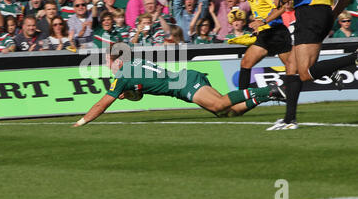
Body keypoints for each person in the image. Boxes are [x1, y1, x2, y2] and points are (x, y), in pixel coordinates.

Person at [268, 0, 356, 131]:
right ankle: (289, 119)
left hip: (310, 12)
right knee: (291, 67)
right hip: (323, 11)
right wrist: (334, 12)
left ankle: (353, 58)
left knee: (305, 71)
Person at [72, 43, 287, 127]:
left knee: (220, 105)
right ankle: (268, 95)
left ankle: (268, 88)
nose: (108, 66)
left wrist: (80, 122)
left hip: (184, 84)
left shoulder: (123, 75)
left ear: (117, 61)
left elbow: (102, 104)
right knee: (227, 113)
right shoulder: (133, 67)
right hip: (186, 80)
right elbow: (140, 95)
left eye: (108, 62)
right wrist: (127, 95)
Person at [236, 0, 292, 100]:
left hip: (277, 33)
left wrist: (263, 21)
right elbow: (262, 12)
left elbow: (282, 8)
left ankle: (327, 72)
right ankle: (241, 99)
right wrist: (258, 27)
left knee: (294, 68)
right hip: (266, 34)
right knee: (245, 63)